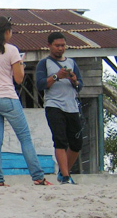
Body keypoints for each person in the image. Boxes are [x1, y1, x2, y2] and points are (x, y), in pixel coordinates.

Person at [0, 16, 52, 186]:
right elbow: (19, 79)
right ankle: (38, 176)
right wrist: (20, 63)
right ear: (7, 32)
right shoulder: (11, 50)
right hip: (7, 97)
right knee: (25, 138)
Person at [35, 32, 84, 184]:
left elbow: (80, 85)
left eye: (63, 46)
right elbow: (41, 84)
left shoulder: (72, 63)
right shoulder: (44, 63)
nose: (60, 49)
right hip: (54, 106)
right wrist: (57, 76)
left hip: (72, 107)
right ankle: (66, 177)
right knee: (60, 141)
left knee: (76, 143)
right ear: (49, 46)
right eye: (57, 46)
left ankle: (64, 173)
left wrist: (75, 80)